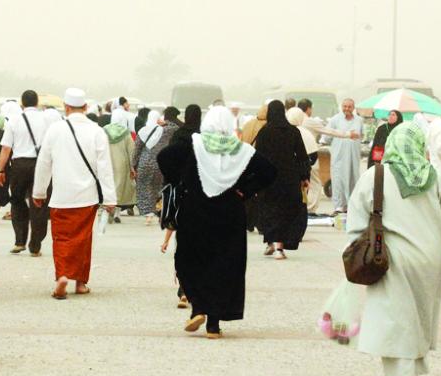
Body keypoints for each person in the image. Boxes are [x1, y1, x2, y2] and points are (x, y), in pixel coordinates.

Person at [346, 123, 441, 376]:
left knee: (396, 316)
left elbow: (356, 219)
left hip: (391, 257)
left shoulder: (375, 175)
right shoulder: (434, 177)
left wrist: (355, 250)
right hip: (429, 259)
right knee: (419, 314)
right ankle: (412, 369)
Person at [157, 106, 275, 339]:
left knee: (192, 260)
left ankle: (198, 308)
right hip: (229, 214)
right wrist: (244, 190)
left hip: (195, 212)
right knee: (223, 265)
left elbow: (164, 158)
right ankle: (213, 324)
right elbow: (269, 171)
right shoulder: (241, 150)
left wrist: (181, 179)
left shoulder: (193, 144)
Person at [33, 88, 117, 299]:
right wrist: (109, 199)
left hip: (61, 195)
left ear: (66, 107)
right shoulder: (97, 131)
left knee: (61, 238)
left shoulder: (55, 130)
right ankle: (80, 283)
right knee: (82, 240)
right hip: (87, 197)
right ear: (86, 107)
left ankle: (62, 275)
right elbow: (105, 168)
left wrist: (39, 192)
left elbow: (44, 163)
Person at [254, 100, 310, 259]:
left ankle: (275, 245)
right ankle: (276, 246)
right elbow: (301, 157)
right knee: (285, 211)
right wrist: (304, 177)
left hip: (270, 180)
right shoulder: (293, 131)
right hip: (289, 179)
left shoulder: (264, 132)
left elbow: (258, 158)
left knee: (270, 211)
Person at [0, 90, 48, 256]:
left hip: (19, 165)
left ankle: (19, 241)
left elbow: (6, 148)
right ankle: (35, 245)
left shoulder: (14, 120)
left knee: (17, 201)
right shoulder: (46, 119)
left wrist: (0, 169)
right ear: (37, 101)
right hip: (40, 164)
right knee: (38, 203)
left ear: (22, 103)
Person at [132, 109, 176, 224]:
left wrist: (133, 165)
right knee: (158, 188)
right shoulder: (166, 131)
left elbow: (136, 150)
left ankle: (148, 215)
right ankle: (159, 211)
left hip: (144, 163)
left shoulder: (142, 131)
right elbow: (176, 127)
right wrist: (165, 122)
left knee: (144, 187)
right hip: (160, 164)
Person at [322, 99, 363, 214]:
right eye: (345, 106)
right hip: (339, 157)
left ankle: (352, 205)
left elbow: (361, 136)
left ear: (353, 108)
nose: (347, 109)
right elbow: (326, 137)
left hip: (353, 158)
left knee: (353, 180)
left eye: (349, 107)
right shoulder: (335, 120)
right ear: (341, 107)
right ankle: (339, 206)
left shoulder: (359, 120)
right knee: (338, 180)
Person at [287, 107, 323, 213]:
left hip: (291, 169)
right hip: (307, 166)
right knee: (313, 186)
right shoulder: (306, 132)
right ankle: (310, 208)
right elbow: (313, 154)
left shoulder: (284, 132)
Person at [104, 108, 137, 222]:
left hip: (107, 162)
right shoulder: (125, 132)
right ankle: (117, 213)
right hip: (122, 164)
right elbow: (131, 151)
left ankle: (108, 209)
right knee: (119, 188)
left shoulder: (104, 130)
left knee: (109, 187)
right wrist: (133, 167)